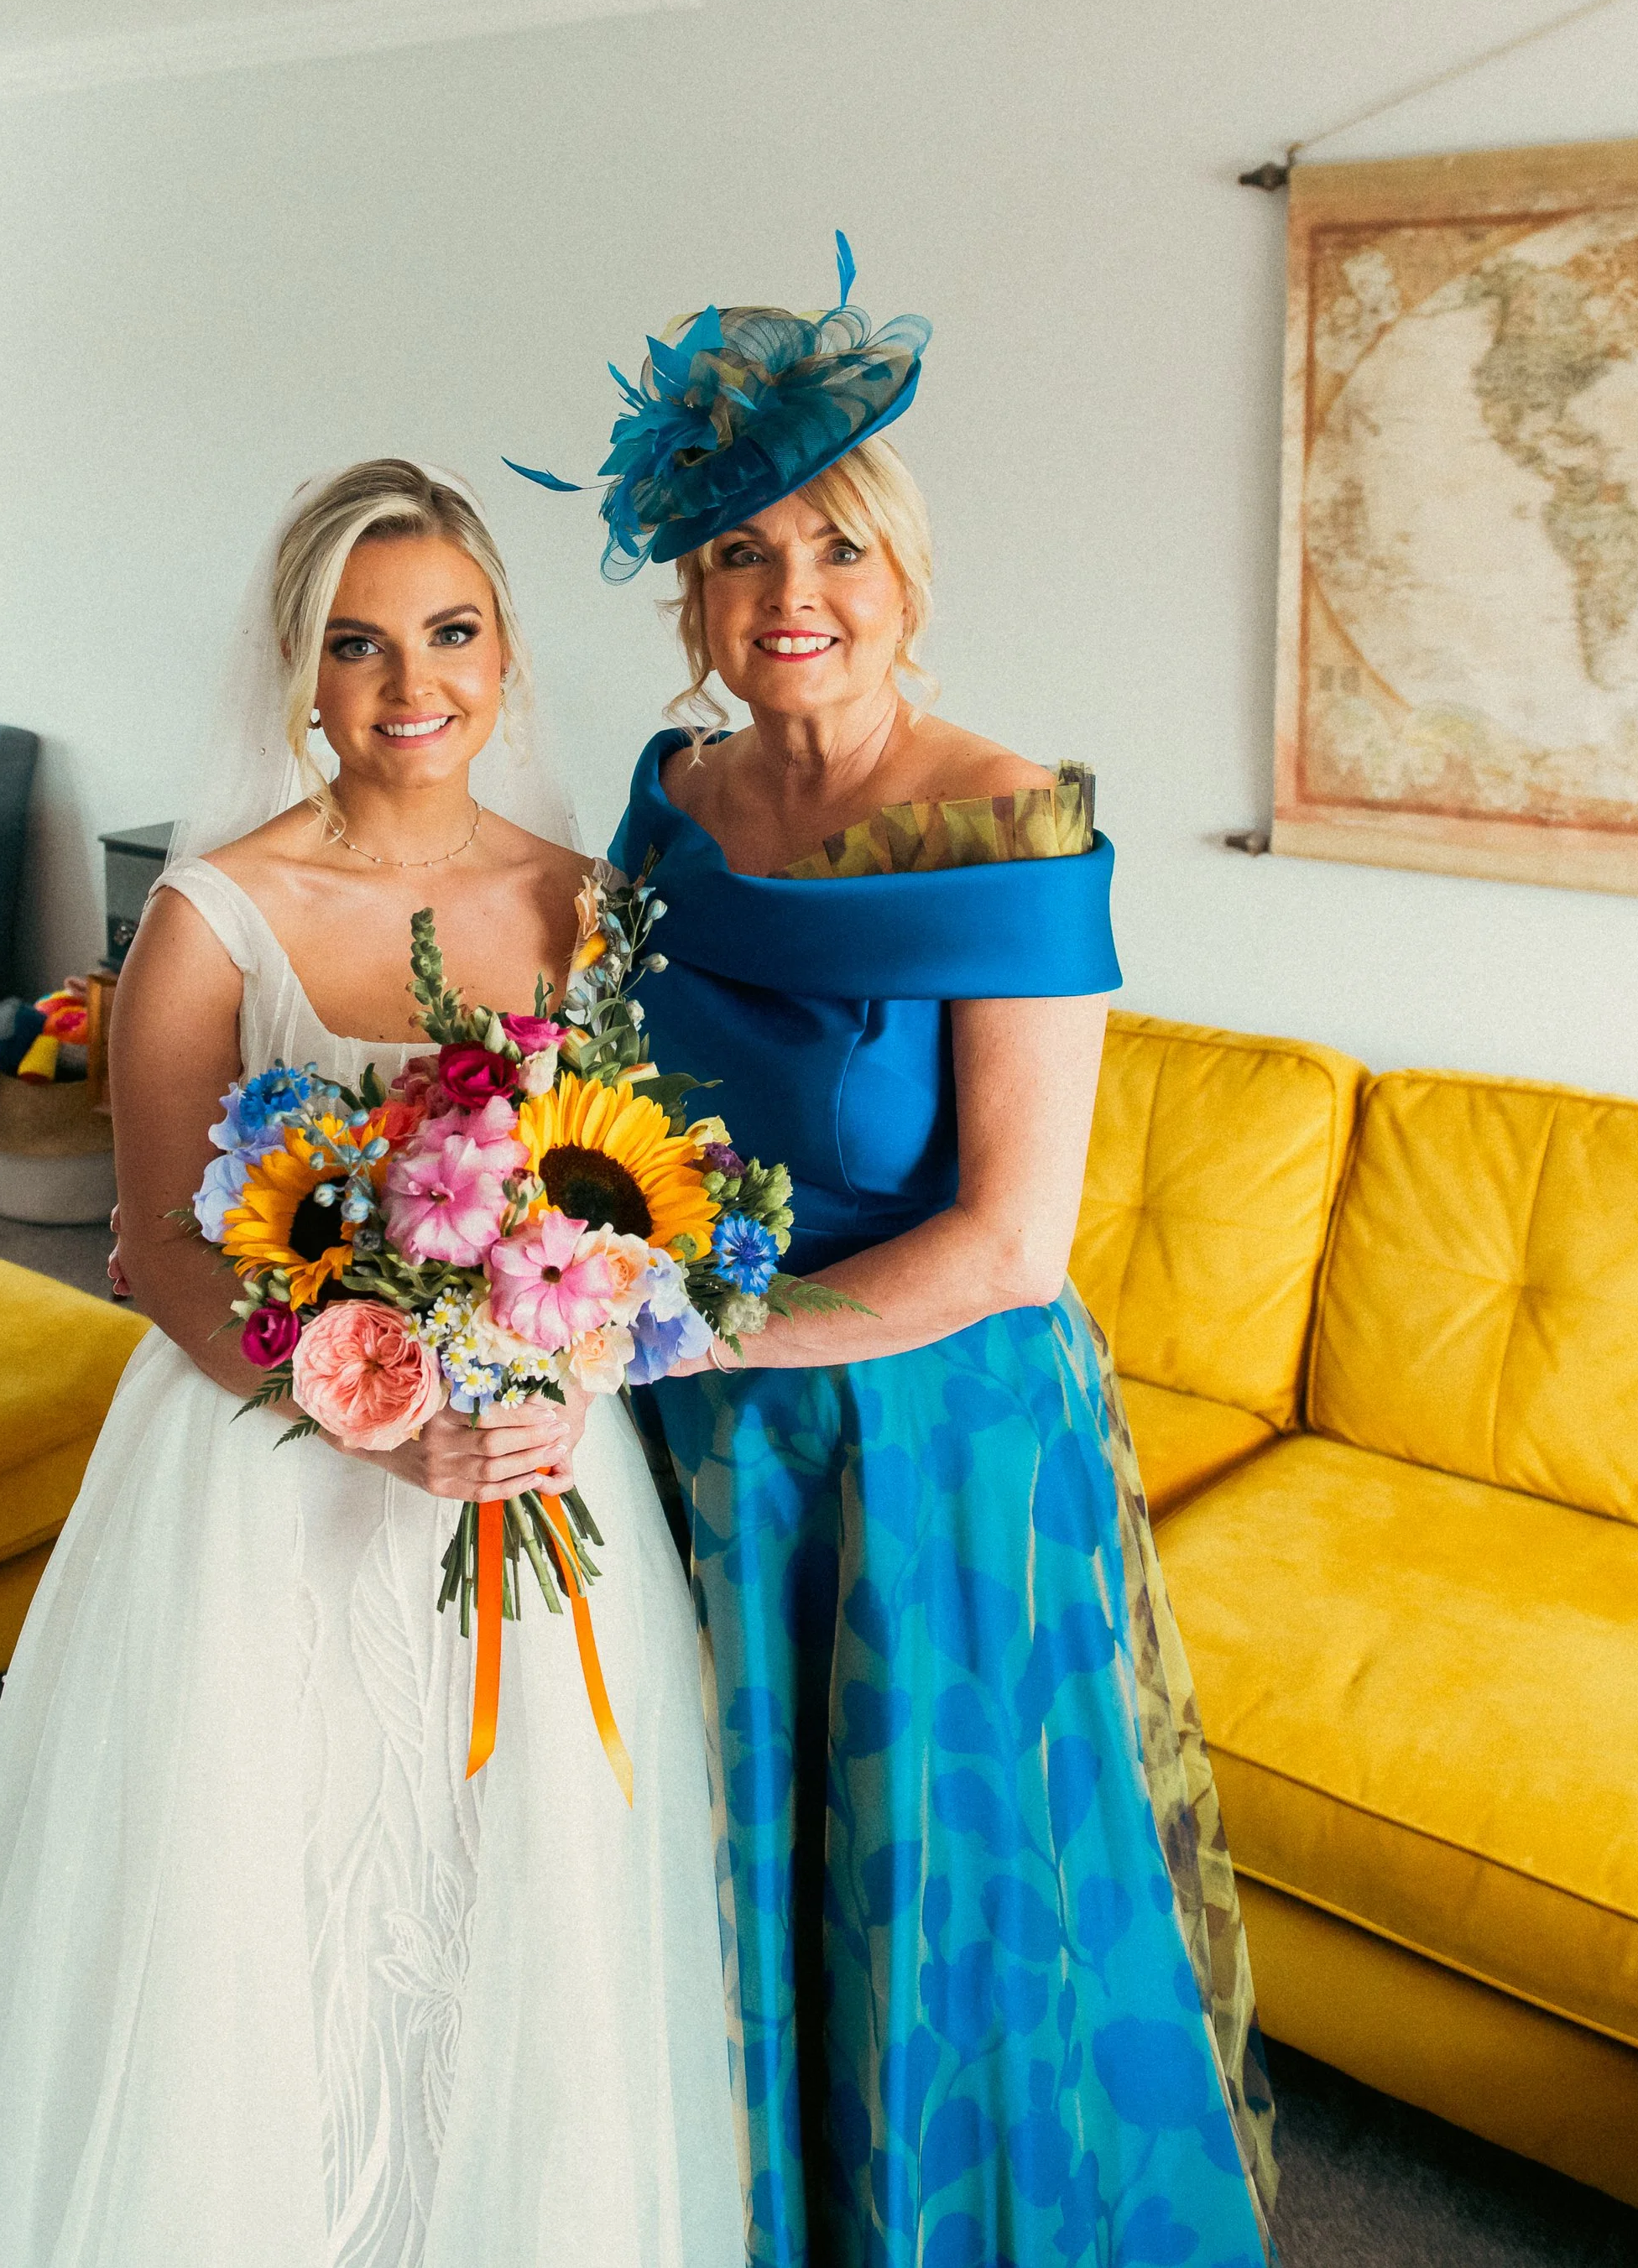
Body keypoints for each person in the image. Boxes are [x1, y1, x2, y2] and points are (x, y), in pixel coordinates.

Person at [0, 460, 742, 2268]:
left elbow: (637, 1212)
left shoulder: (593, 907)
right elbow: (161, 1252)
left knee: (526, 1913)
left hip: (532, 1475)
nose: (409, 681)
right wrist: (378, 1415)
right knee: (248, 1925)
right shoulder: (212, 915)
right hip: (270, 1496)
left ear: (502, 655)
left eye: (448, 631)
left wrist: (575, 1365)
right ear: (298, 675)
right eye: (356, 643)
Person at [515, 257, 1278, 2268]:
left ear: (904, 572)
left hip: (915, 1442)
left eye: (839, 542)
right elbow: (613, 1089)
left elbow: (1010, 1248)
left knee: (924, 1901)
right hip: (686, 1424)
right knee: (699, 1865)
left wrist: (665, 1344)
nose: (795, 590)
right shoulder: (671, 802)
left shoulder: (1007, 829)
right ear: (689, 598)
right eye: (745, 549)